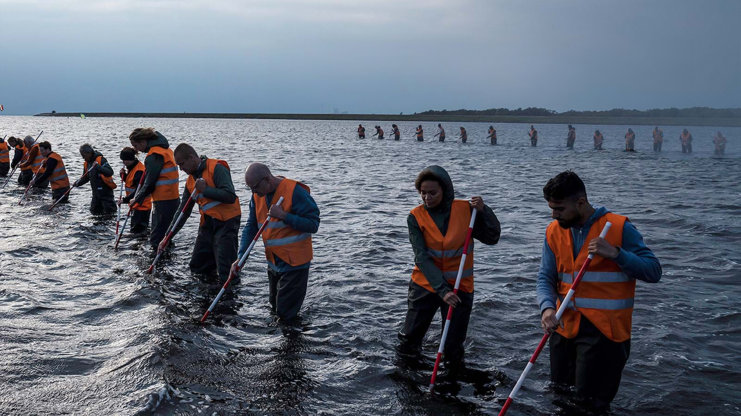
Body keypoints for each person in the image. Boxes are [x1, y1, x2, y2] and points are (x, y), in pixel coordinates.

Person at [537, 171, 661, 413]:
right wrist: (547, 307)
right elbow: (546, 277)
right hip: (564, 327)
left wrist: (616, 254)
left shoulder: (618, 227)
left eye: (559, 208)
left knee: (590, 405)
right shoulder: (553, 230)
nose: (554, 214)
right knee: (560, 396)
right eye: (551, 208)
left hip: (605, 334)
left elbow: (653, 271)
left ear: (580, 202)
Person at [397, 165, 500, 371]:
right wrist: (442, 290)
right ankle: (407, 378)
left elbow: (492, 237)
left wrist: (484, 211)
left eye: (432, 193)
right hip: (425, 285)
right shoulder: (415, 217)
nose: (427, 198)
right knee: (409, 340)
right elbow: (421, 257)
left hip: (459, 286)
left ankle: (451, 384)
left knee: (453, 347)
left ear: (445, 191)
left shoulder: (466, 211)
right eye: (423, 193)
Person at [231, 163, 320, 322]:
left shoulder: (295, 192)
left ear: (267, 179)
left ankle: (292, 344)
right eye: (250, 188)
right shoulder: (258, 195)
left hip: (295, 265)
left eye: (255, 187)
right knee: (274, 307)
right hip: (274, 263)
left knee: (285, 315)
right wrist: (241, 257)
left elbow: (313, 224)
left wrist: (285, 216)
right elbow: (251, 226)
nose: (253, 192)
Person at [165, 144, 241, 283]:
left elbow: (230, 196)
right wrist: (168, 236)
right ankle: (205, 297)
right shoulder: (190, 181)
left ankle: (229, 299)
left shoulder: (217, 168)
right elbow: (183, 211)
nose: (181, 169)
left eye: (182, 164)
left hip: (226, 223)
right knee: (198, 266)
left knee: (225, 269)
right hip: (207, 224)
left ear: (192, 158)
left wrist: (205, 190)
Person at [128, 128, 180, 249]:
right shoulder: (165, 149)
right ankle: (167, 262)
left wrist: (136, 199)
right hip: (173, 198)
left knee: (156, 239)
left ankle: (156, 263)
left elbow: (149, 184)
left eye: (136, 145)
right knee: (166, 236)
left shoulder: (154, 156)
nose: (136, 149)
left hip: (163, 201)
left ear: (143, 142)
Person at [75, 144, 117, 214]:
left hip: (106, 194)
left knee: (110, 213)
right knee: (94, 212)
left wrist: (98, 167)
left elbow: (110, 172)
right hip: (96, 195)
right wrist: (77, 183)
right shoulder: (86, 164)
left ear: (89, 153)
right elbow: (85, 177)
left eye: (84, 156)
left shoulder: (101, 160)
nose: (83, 158)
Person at [119, 147, 151, 233]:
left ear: (132, 159)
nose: (125, 163)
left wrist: (124, 200)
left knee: (138, 232)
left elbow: (138, 190)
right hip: (135, 204)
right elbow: (131, 183)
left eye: (127, 160)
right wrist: (124, 176)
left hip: (142, 206)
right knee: (137, 231)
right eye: (123, 160)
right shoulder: (132, 167)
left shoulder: (139, 171)